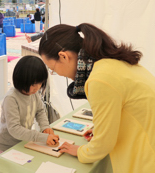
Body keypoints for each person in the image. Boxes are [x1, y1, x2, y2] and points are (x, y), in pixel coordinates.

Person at [38, 23, 155, 173]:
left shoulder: (99, 79)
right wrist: (100, 128)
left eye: (53, 69)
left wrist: (80, 151)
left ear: (63, 56)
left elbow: (103, 144)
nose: (58, 74)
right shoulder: (114, 62)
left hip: (146, 160)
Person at [0, 56, 59, 156]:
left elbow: (40, 111)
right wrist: (42, 137)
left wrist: (45, 127)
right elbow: (15, 129)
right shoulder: (11, 98)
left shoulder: (33, 93)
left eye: (40, 83)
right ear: (21, 80)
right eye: (33, 84)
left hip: (23, 142)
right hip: (7, 147)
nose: (37, 88)